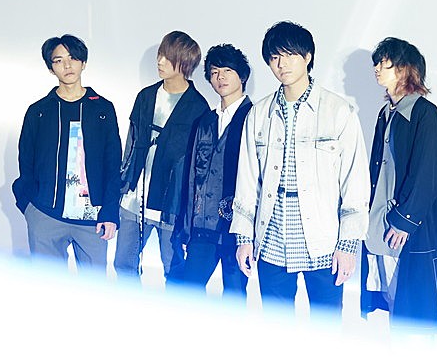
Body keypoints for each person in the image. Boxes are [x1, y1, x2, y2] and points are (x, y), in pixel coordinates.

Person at [230, 21, 369, 317]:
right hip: (272, 239)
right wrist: (243, 238)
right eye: (275, 57)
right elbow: (247, 180)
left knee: (325, 328)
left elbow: (355, 181)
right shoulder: (259, 114)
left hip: (323, 241)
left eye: (290, 55)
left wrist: (348, 244)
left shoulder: (338, 111)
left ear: (307, 57)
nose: (282, 64)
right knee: (277, 328)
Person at [360, 37, 437, 333]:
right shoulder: (386, 113)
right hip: (382, 224)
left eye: (384, 63)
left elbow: (429, 171)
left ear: (404, 69)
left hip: (407, 228)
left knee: (415, 308)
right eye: (377, 63)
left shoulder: (424, 113)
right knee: (393, 300)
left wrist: (405, 220)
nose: (377, 69)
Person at [12, 34, 122, 273]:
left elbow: (113, 164)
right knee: (49, 287)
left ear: (83, 62)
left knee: (94, 288)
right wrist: (30, 207)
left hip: (92, 217)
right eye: (58, 60)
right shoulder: (39, 111)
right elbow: (26, 160)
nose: (67, 65)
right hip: (46, 214)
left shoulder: (103, 109)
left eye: (73, 58)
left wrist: (111, 210)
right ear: (51, 68)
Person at [115, 31, 209, 281]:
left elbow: (197, 164)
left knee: (174, 269)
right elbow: (131, 144)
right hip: (136, 196)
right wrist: (123, 184)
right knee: (124, 262)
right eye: (160, 55)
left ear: (184, 63)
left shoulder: (198, 107)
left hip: (172, 203)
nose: (160, 62)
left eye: (168, 57)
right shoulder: (146, 96)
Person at [175, 44, 252, 299]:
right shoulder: (204, 121)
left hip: (237, 230)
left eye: (227, 70)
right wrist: (186, 226)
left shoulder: (254, 118)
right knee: (188, 294)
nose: (221, 77)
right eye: (215, 72)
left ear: (242, 76)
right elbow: (190, 177)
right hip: (202, 227)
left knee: (234, 297)